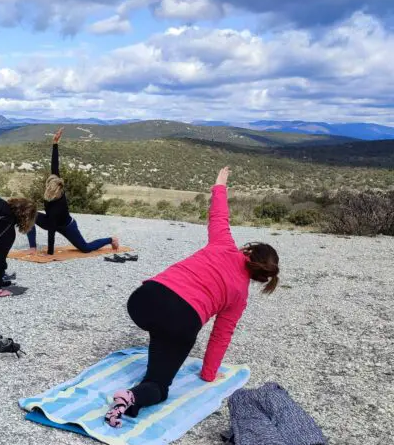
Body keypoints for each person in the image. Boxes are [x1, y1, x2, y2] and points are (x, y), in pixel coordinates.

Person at [104, 167, 280, 427]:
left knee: (161, 329)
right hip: (181, 323)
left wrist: (220, 184)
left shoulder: (224, 244)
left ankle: (130, 395)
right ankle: (132, 397)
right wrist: (209, 374)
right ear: (259, 277)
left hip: (143, 301)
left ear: (249, 250)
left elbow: (219, 215)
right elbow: (221, 336)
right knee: (159, 386)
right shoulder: (240, 296)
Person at [27, 128, 118, 255]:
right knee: (29, 214)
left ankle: (111, 239)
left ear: (55, 190)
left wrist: (50, 253)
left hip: (66, 226)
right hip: (50, 220)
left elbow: (51, 232)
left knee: (85, 248)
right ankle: (32, 247)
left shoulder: (57, 205)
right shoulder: (55, 181)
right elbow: (54, 164)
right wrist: (55, 143)